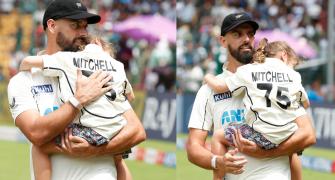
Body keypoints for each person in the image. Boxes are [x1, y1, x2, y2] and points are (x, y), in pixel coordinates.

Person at [7, 0, 146, 180]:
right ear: (52, 25)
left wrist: (96, 150)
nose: (83, 33)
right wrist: (77, 100)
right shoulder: (23, 80)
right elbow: (36, 134)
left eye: (85, 27)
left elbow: (136, 131)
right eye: (75, 26)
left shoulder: (97, 74)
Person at [186, 12, 316, 180]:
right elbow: (193, 148)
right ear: (223, 41)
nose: (246, 39)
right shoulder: (208, 91)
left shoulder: (275, 80)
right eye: (237, 34)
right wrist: (218, 162)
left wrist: (266, 153)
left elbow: (306, 136)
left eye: (250, 34)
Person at [19, 36, 135, 180]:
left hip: (88, 132)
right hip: (114, 131)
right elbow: (130, 97)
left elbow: (27, 62)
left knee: (40, 145)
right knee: (118, 160)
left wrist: (26, 72)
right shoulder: (117, 67)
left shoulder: (71, 60)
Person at [204, 38, 310, 180]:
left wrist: (208, 77)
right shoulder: (294, 75)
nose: (292, 67)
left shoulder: (249, 70)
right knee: (293, 151)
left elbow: (219, 86)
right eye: (293, 64)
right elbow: (306, 103)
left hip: (261, 136)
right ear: (284, 56)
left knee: (218, 136)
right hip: (286, 136)